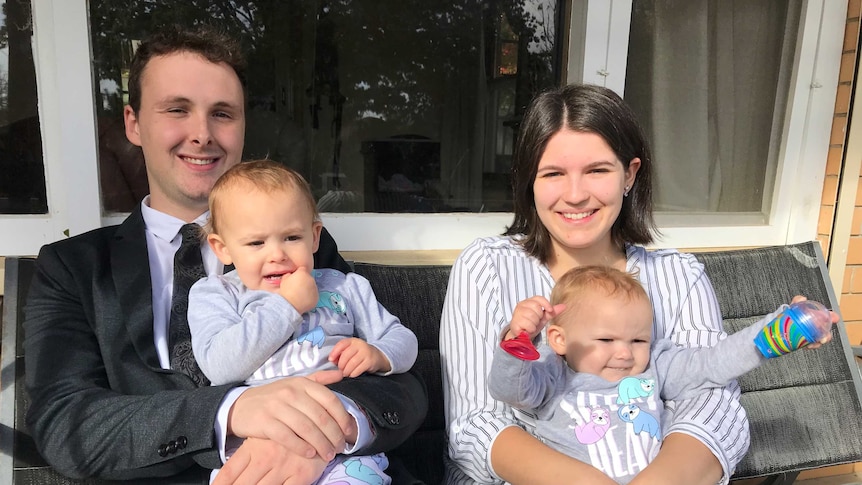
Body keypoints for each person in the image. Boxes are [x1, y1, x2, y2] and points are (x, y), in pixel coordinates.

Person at [23, 25, 425, 485]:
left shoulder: (300, 249)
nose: (202, 134)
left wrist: (332, 432)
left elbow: (400, 381)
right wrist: (229, 412)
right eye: (177, 109)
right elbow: (65, 422)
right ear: (133, 123)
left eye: (222, 114)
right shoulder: (73, 268)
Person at [439, 83, 836, 485]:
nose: (575, 195)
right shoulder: (487, 267)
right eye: (553, 173)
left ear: (629, 174)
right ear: (530, 181)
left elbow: (713, 398)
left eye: (597, 170)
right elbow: (476, 425)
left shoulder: (678, 276)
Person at [188, 160, 418, 484]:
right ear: (222, 248)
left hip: (342, 453)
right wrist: (288, 305)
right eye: (256, 243)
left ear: (314, 237)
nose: (277, 254)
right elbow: (220, 365)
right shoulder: (218, 293)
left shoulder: (345, 286)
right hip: (256, 454)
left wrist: (378, 354)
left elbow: (402, 339)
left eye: (291, 237)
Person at [488, 265, 813, 484]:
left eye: (638, 339)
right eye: (606, 340)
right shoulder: (551, 373)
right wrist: (519, 340)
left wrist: (775, 329)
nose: (625, 352)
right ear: (559, 339)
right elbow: (509, 390)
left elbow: (713, 363)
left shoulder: (655, 366)